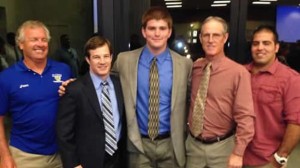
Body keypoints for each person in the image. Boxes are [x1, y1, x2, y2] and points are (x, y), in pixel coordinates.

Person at [112, 6, 192, 168]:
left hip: (171, 144)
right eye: (152, 28)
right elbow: (104, 84)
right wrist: (73, 86)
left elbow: (192, 99)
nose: (157, 33)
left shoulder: (184, 64)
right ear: (144, 31)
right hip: (138, 144)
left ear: (169, 32)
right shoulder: (124, 61)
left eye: (162, 28)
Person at [0, 20, 72, 168]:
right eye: (34, 39)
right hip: (26, 156)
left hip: (61, 155)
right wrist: (5, 156)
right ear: (20, 44)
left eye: (44, 39)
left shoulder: (63, 70)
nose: (40, 44)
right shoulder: (7, 78)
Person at [186, 16, 255, 168]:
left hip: (222, 148)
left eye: (216, 35)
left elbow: (245, 116)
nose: (211, 40)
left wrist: (238, 153)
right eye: (206, 35)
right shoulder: (196, 68)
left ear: (225, 38)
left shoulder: (238, 73)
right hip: (193, 147)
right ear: (200, 38)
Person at [56, 36, 127, 168]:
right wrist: (73, 164)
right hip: (87, 162)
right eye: (96, 57)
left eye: (106, 56)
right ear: (88, 60)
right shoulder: (74, 89)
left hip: (118, 160)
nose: (102, 61)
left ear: (111, 57)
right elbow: (64, 133)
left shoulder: (120, 84)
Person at [243, 25, 300, 168]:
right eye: (256, 43)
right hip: (236, 155)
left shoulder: (291, 79)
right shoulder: (241, 73)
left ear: (276, 47)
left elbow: (296, 123)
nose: (260, 48)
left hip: (267, 161)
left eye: (266, 43)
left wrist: (280, 157)